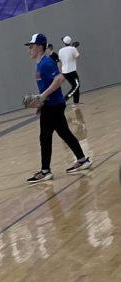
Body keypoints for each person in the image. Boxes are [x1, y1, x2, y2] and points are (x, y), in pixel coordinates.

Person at [24, 33, 91, 184]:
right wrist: (40, 104)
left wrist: (43, 97)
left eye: (31, 46)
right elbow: (46, 87)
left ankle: (45, 171)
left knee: (45, 137)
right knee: (64, 133)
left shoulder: (46, 63)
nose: (29, 49)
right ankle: (82, 160)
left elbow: (59, 79)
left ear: (40, 47)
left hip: (53, 105)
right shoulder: (40, 63)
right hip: (51, 104)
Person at [59, 35, 81, 106]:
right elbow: (77, 57)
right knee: (76, 86)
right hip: (72, 71)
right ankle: (65, 99)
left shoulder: (60, 50)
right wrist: (74, 48)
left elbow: (61, 60)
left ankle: (76, 103)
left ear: (64, 42)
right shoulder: (73, 49)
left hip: (65, 72)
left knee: (75, 86)